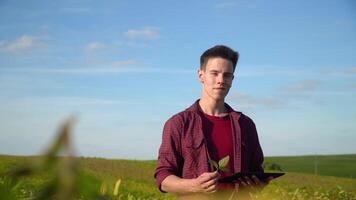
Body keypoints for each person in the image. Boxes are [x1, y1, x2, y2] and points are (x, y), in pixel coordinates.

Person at [154, 45, 270, 199]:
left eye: (227, 75)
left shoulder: (246, 125)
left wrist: (256, 184)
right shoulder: (178, 124)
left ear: (232, 79)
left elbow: (257, 172)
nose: (221, 80)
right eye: (214, 73)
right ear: (201, 75)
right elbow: (163, 177)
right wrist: (194, 185)